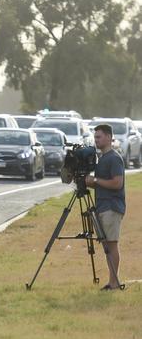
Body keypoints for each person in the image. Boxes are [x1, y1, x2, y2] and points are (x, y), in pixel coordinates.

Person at [85, 124, 126, 290]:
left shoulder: (114, 158)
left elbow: (117, 183)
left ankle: (114, 283)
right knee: (106, 246)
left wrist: (94, 181)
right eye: (95, 137)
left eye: (99, 137)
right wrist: (87, 181)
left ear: (109, 137)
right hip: (102, 206)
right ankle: (112, 281)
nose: (96, 140)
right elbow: (102, 184)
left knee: (111, 244)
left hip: (112, 206)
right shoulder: (102, 158)